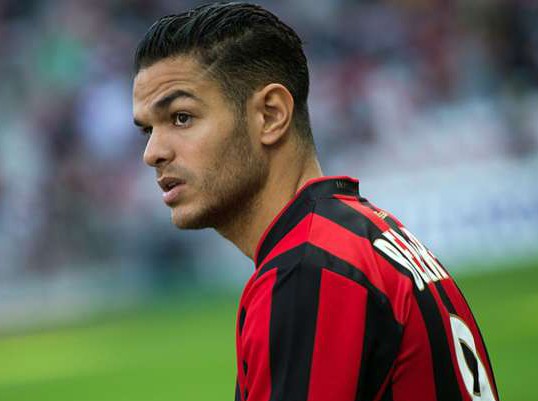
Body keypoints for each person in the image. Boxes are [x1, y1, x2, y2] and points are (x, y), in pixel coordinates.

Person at [132, 3, 499, 401]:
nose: (153, 153)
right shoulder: (365, 234)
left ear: (270, 115)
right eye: (147, 130)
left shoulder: (309, 269)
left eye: (181, 118)